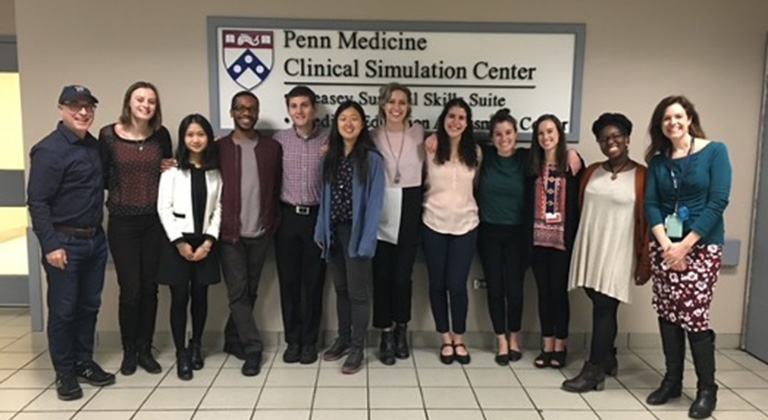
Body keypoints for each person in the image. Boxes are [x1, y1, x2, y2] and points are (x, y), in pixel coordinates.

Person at [644, 96, 731, 419]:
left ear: (690, 118)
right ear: (660, 125)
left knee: (694, 316)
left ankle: (707, 389)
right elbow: (652, 204)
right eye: (666, 118)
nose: (673, 123)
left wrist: (686, 245)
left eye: (678, 116)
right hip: (665, 246)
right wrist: (667, 245)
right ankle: (672, 381)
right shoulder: (658, 161)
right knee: (668, 313)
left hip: (703, 246)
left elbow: (718, 200)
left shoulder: (715, 152)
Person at [27, 85, 116, 401]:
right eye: (75, 106)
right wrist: (50, 245)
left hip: (94, 240)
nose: (83, 112)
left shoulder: (93, 146)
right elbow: (37, 202)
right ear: (61, 109)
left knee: (89, 306)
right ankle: (64, 374)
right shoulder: (49, 150)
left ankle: (83, 362)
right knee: (64, 311)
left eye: (88, 106)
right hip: (64, 242)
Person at [561, 113, 650, 392]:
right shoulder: (593, 171)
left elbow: (648, 218)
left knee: (604, 305)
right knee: (596, 299)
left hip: (620, 250)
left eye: (616, 136)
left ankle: (593, 370)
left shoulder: (642, 175)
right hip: (591, 245)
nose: (610, 142)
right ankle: (609, 357)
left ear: (627, 139)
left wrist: (645, 258)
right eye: (604, 138)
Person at [98, 81, 173, 376]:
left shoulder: (161, 135)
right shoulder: (108, 135)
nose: (145, 105)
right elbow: (102, 176)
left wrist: (169, 167)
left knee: (150, 288)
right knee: (130, 290)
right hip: (123, 223)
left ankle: (145, 349)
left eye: (151, 101)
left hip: (154, 222)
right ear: (128, 102)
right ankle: (129, 351)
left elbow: (167, 170)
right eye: (140, 99)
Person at [315, 100, 385, 374]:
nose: (348, 124)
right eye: (343, 118)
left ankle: (357, 348)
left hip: (357, 235)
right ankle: (343, 340)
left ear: (363, 124)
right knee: (340, 290)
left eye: (354, 118)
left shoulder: (372, 159)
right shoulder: (330, 157)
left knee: (358, 294)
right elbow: (324, 198)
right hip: (333, 233)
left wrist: (367, 241)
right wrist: (321, 230)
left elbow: (376, 202)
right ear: (336, 124)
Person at [218, 91, 282, 376]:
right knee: (237, 292)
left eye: (252, 108)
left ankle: (232, 339)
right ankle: (253, 348)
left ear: (257, 112)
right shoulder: (219, 148)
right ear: (232, 113)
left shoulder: (272, 148)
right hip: (230, 234)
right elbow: (196, 170)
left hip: (261, 232)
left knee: (250, 291)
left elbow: (279, 185)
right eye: (241, 108)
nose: (246, 112)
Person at [157, 114, 222, 380]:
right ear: (183, 139)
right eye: (190, 135)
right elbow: (163, 208)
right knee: (179, 298)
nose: (195, 139)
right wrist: (180, 243)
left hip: (205, 242)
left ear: (208, 138)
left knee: (201, 297)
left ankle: (197, 345)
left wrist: (208, 242)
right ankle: (181, 352)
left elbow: (219, 208)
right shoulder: (171, 171)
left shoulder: (215, 171)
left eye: (201, 134)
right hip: (177, 244)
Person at [422, 98, 480, 365]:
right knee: (438, 284)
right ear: (443, 119)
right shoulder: (430, 149)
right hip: (433, 223)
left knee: (457, 285)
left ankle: (459, 337)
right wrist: (432, 138)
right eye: (451, 116)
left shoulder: (476, 153)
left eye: (461, 118)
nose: (455, 122)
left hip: (466, 226)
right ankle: (445, 339)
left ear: (467, 124)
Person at [370, 83, 425, 365]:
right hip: (380, 208)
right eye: (391, 102)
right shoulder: (372, 136)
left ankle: (402, 328)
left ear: (409, 107)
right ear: (383, 105)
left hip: (411, 205)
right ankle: (385, 333)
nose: (396, 107)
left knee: (403, 278)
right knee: (382, 277)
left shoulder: (420, 134)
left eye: (402, 102)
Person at [273, 86, 328, 364]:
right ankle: (292, 340)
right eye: (294, 106)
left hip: (317, 220)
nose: (300, 111)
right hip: (287, 219)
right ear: (288, 110)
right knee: (289, 282)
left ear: (314, 108)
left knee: (314, 284)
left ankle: (309, 341)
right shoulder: (279, 140)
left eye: (304, 105)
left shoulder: (330, 139)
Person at [526, 114, 582, 369]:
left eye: (550, 132)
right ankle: (546, 343)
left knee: (559, 294)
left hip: (562, 243)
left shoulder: (572, 165)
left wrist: (573, 153)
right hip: (538, 242)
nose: (545, 137)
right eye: (540, 133)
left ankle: (561, 344)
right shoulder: (531, 166)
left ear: (559, 134)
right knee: (543, 294)